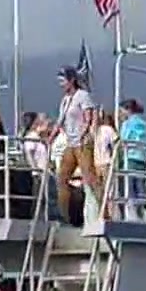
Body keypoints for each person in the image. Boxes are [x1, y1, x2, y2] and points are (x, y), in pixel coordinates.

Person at [55, 68, 102, 225]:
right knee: (62, 177)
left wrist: (85, 133)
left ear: (71, 80)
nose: (61, 84)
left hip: (82, 143)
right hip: (70, 143)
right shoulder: (65, 100)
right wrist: (51, 137)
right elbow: (60, 121)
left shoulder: (83, 96)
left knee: (90, 178)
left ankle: (105, 211)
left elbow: (89, 117)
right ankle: (65, 215)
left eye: (63, 80)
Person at [117, 99, 146, 219]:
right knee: (141, 185)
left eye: (121, 111)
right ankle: (145, 212)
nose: (120, 114)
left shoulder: (127, 124)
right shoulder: (144, 124)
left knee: (129, 186)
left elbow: (123, 140)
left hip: (130, 157)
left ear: (127, 110)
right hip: (142, 158)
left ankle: (132, 214)